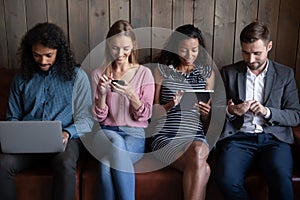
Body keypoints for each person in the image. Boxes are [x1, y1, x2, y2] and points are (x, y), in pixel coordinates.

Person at [0, 22, 93, 200]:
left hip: (65, 140)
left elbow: (87, 119)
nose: (43, 61)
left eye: (48, 55)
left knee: (65, 163)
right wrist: (14, 135)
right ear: (30, 53)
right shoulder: (20, 78)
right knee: (2, 163)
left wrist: (67, 133)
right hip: (27, 142)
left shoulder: (77, 77)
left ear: (59, 51)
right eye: (37, 55)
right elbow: (12, 117)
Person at [215, 21, 300, 200]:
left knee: (281, 179)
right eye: (246, 53)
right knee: (226, 180)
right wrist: (231, 110)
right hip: (238, 139)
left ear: (269, 46)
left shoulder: (285, 74)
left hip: (274, 140)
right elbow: (216, 110)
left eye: (257, 53)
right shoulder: (228, 73)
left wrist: (267, 112)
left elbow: (295, 116)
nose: (251, 60)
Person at [91, 19, 155, 200]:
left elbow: (146, 114)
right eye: (115, 48)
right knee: (116, 143)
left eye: (126, 48)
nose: (120, 53)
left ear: (133, 45)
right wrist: (102, 94)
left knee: (105, 164)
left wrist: (131, 95)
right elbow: (99, 118)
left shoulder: (144, 73)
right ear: (108, 46)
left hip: (134, 135)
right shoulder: (98, 74)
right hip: (106, 133)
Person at [150, 24, 215, 200]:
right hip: (166, 136)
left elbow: (207, 120)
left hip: (195, 136)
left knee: (198, 150)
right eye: (183, 50)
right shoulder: (161, 71)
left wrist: (206, 112)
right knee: (203, 168)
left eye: (194, 50)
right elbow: (153, 114)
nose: (189, 56)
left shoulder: (207, 74)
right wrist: (171, 104)